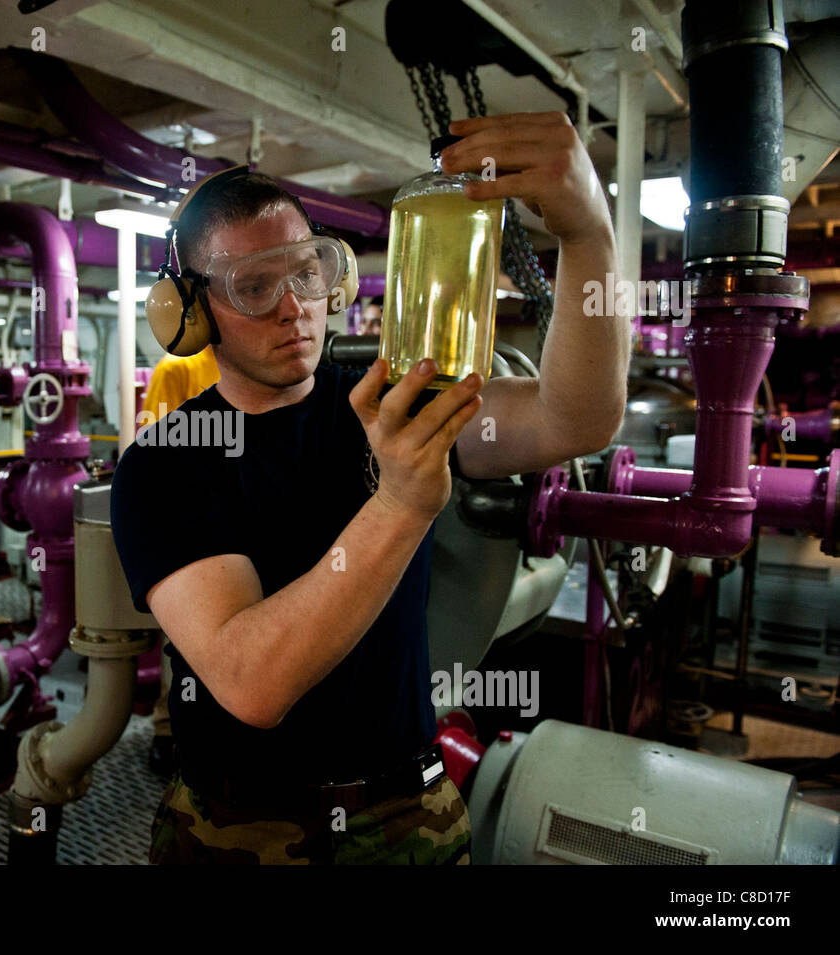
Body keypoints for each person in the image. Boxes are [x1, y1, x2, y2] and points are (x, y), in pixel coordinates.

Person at [110, 111, 629, 864]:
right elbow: (253, 681)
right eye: (253, 287)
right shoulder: (166, 465)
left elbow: (575, 418)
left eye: (306, 272)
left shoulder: (394, 405)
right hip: (241, 832)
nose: (293, 306)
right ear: (190, 313)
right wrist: (401, 504)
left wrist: (589, 235)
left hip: (409, 813)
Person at [138, 348, 220, 776]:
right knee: (184, 641)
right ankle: (166, 729)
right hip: (192, 524)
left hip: (242, 520)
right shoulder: (179, 370)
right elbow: (154, 452)